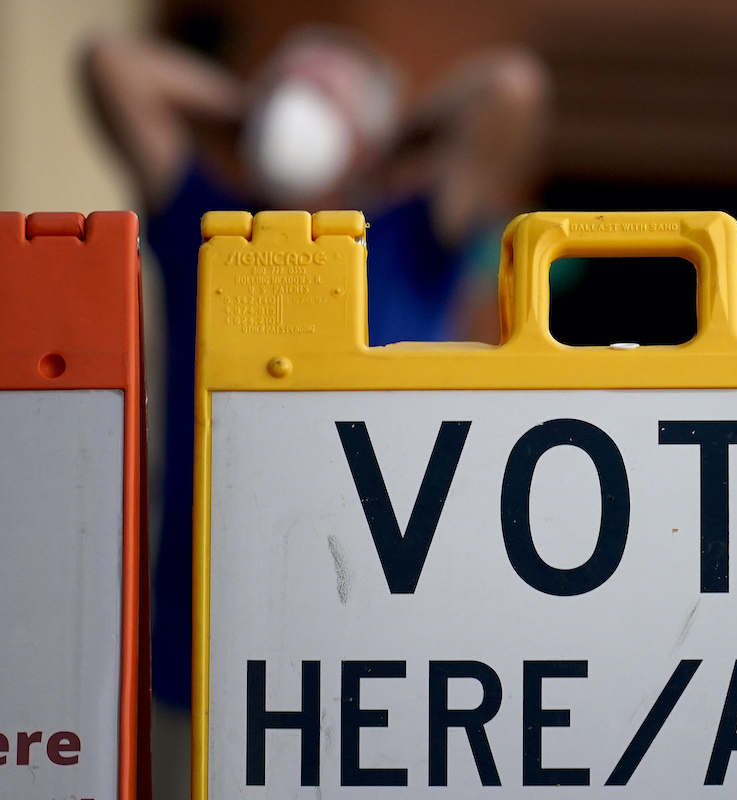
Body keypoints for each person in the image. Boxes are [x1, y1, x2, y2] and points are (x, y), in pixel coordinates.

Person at [85, 27, 549, 713]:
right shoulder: (209, 230)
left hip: (386, 649)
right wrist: (250, 109)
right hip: (204, 650)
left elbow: (511, 86)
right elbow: (110, 65)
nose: (298, 104)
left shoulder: (416, 233)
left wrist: (395, 135)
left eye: (325, 89)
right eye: (288, 85)